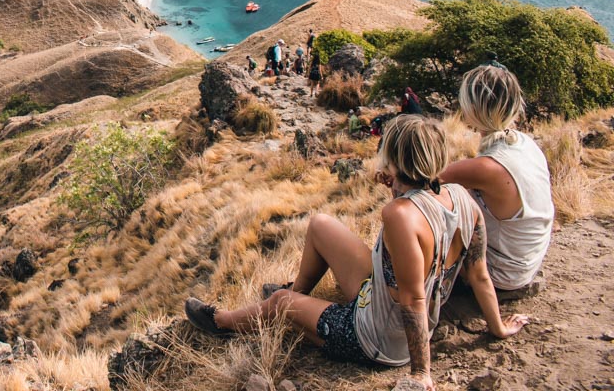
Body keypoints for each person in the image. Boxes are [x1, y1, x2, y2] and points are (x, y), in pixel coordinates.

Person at [184, 116, 528, 390]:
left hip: (375, 337)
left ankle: (223, 323)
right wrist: (496, 327)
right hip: (377, 300)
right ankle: (298, 295)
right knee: (320, 225)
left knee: (278, 305)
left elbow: (412, 299)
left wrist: (421, 373)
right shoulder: (462, 198)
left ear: (395, 160)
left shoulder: (399, 215)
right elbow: (480, 274)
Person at [440, 65, 554, 292]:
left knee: (429, 202)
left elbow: (423, 180)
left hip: (502, 274)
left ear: (472, 108)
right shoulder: (525, 143)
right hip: (525, 261)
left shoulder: (486, 167)